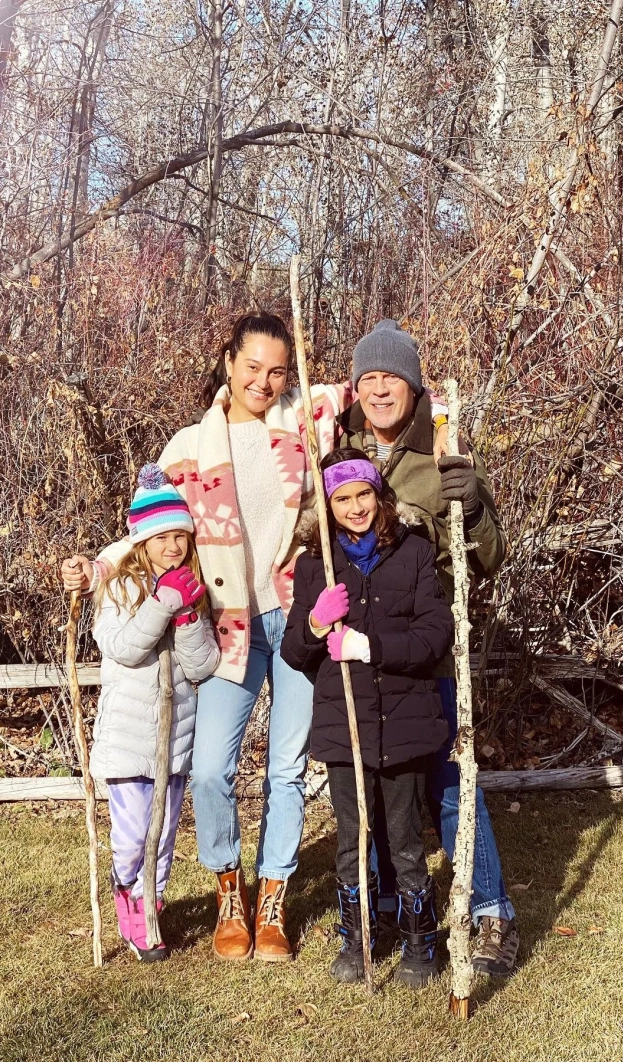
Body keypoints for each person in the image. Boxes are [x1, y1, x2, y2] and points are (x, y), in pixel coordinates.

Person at [62, 313, 451, 964]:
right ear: (228, 362)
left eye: (277, 371)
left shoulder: (307, 417)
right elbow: (148, 527)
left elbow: (383, 392)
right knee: (211, 768)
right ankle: (228, 893)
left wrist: (440, 422)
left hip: (298, 618)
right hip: (228, 626)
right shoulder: (189, 446)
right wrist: (97, 567)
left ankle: (272, 899)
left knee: (287, 769)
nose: (264, 382)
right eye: (252, 367)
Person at [336, 318, 519, 976]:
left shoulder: (445, 453)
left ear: (414, 387)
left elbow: (491, 557)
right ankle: (385, 907)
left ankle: (491, 911)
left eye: (393, 377)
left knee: (447, 782)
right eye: (369, 378)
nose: (380, 389)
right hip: (363, 656)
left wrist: (473, 509)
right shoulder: (339, 453)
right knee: (376, 786)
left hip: (428, 652)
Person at [281, 448, 454, 987]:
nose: (355, 507)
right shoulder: (316, 564)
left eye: (363, 495)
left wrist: (369, 646)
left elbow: (434, 635)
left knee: (405, 838)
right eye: (342, 499)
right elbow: (294, 652)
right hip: (345, 723)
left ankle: (420, 940)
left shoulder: (413, 552)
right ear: (327, 506)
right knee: (353, 837)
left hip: (404, 720)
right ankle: (358, 937)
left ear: (380, 496)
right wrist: (316, 623)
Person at [90, 464, 219, 962]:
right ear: (142, 541)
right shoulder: (120, 590)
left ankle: (150, 907)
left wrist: (187, 617)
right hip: (128, 740)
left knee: (162, 833)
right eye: (162, 537)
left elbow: (202, 665)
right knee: (131, 837)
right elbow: (123, 648)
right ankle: (127, 890)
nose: (173, 546)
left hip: (173, 740)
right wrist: (162, 604)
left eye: (180, 536)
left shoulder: (193, 589)